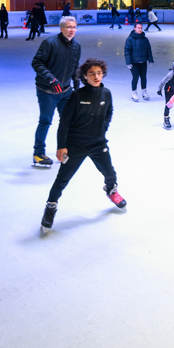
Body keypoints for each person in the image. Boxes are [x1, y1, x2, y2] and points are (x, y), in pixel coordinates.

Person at [40, 58, 127, 232]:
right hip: (76, 145)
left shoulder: (106, 93)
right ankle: (50, 207)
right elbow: (64, 122)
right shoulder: (77, 95)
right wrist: (61, 146)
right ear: (85, 76)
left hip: (98, 143)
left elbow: (109, 112)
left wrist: (103, 128)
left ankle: (111, 190)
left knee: (110, 173)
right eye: (91, 74)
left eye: (99, 73)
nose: (96, 77)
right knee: (62, 179)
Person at [30, 17, 82, 169]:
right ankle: (38, 153)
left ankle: (63, 151)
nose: (72, 30)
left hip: (66, 91)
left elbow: (75, 67)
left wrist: (77, 87)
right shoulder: (50, 43)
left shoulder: (76, 45)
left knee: (67, 121)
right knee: (45, 121)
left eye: (74, 27)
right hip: (47, 91)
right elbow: (37, 63)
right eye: (68, 27)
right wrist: (51, 79)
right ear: (61, 28)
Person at [123, 22, 155, 102]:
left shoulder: (145, 39)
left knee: (143, 77)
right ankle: (134, 93)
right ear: (134, 28)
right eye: (138, 28)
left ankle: (144, 92)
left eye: (141, 28)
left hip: (143, 62)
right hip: (134, 62)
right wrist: (128, 62)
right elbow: (127, 51)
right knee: (135, 77)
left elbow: (148, 50)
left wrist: (150, 59)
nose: (140, 29)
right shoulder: (130, 39)